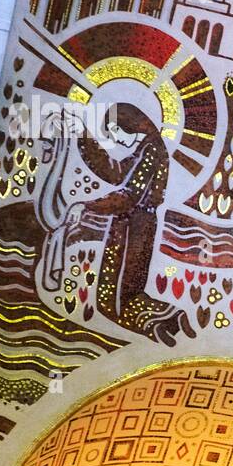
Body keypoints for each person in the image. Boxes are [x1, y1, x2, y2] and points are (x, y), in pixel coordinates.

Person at [65, 103, 194, 345]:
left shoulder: (152, 150)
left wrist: (87, 205)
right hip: (134, 225)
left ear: (128, 123)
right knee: (122, 294)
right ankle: (168, 321)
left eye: (114, 131)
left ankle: (161, 324)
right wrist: (84, 137)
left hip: (135, 226)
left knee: (113, 300)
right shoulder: (146, 149)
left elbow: (129, 195)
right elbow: (116, 172)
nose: (114, 139)